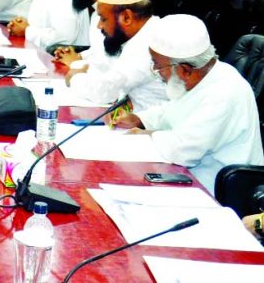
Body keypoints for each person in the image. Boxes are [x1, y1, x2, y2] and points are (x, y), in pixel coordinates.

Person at [110, 14, 264, 191]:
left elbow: (183, 151)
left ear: (184, 70)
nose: (156, 71)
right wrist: (140, 119)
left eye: (158, 65)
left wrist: (148, 135)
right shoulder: (201, 77)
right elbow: (173, 109)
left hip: (216, 190)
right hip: (186, 175)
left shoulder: (224, 91)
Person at [64, 0, 168, 111]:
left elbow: (106, 91)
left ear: (126, 17)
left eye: (103, 19)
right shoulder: (139, 34)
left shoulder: (148, 43)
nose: (99, 25)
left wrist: (74, 77)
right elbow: (109, 70)